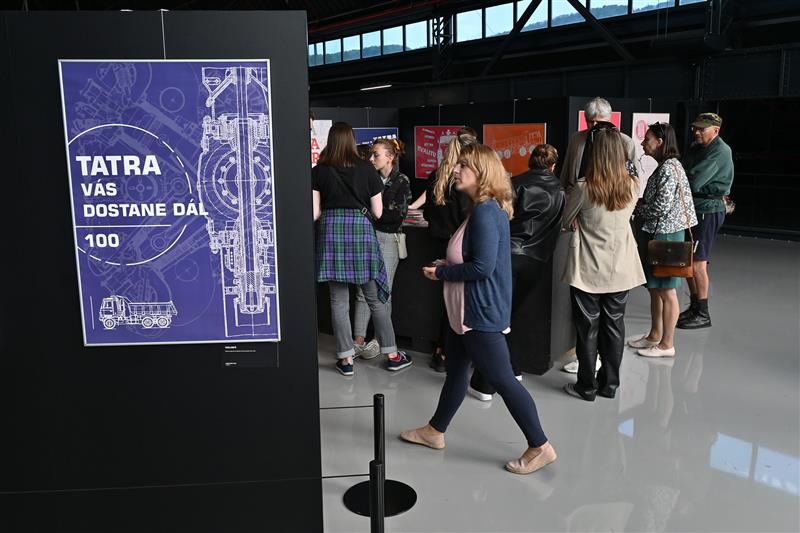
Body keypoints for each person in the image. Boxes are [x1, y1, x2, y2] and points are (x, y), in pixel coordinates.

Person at [399, 143, 557, 475]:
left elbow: (482, 268)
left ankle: (540, 446)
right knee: (457, 372)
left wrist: (442, 273)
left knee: (503, 379)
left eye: (464, 166)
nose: (455, 170)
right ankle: (435, 431)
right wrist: (447, 264)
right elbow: (475, 260)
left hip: (479, 314)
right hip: (465, 314)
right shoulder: (480, 209)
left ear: (481, 173)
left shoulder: (485, 211)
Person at [468, 144, 566, 401]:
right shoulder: (560, 190)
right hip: (537, 261)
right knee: (513, 315)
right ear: (553, 166)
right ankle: (512, 367)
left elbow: (501, 220)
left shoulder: (515, 184)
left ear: (530, 161)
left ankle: (484, 383)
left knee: (497, 318)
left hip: (509, 256)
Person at [312, 122, 411, 375]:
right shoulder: (367, 168)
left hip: (331, 233)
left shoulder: (319, 170)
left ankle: (346, 360)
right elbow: (378, 212)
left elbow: (314, 213)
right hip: (360, 234)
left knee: (338, 300)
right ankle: (392, 355)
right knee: (374, 298)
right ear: (351, 140)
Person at [561, 122, 645, 401]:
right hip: (621, 264)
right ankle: (610, 384)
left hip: (588, 266)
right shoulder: (632, 185)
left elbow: (566, 221)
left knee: (587, 328)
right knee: (615, 324)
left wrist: (576, 218)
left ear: (594, 153)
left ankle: (586, 386)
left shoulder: (584, 187)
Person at [408, 127, 477, 372]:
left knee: (449, 301)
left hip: (439, 243)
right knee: (460, 302)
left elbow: (428, 213)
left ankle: (443, 351)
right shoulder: (463, 181)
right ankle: (450, 352)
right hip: (460, 245)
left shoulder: (437, 176)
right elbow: (467, 215)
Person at [629, 123, 698, 358]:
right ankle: (654, 335)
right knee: (655, 289)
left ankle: (667, 344)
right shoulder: (666, 166)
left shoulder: (669, 167)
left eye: (647, 139)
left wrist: (638, 210)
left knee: (667, 291)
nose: (643, 143)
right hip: (658, 234)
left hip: (667, 235)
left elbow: (662, 206)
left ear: (660, 142)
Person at [352, 139, 412, 359]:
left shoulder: (401, 180)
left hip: (387, 238)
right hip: (368, 237)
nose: (371, 159)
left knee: (383, 292)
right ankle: (358, 341)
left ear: (390, 157)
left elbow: (397, 215)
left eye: (376, 154)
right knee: (362, 290)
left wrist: (372, 213)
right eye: (371, 154)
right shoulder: (370, 177)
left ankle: (380, 340)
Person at [677, 113, 734, 330]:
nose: (697, 132)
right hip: (694, 208)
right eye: (695, 128)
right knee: (688, 261)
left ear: (716, 130)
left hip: (708, 210)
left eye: (702, 129)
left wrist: (685, 175)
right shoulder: (696, 147)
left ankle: (703, 313)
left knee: (698, 263)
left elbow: (694, 180)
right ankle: (694, 306)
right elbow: (683, 171)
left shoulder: (720, 151)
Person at [560, 97, 637, 191]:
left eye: (599, 122)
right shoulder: (576, 138)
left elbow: (633, 180)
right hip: (577, 195)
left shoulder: (626, 143)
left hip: (610, 196)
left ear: (609, 121)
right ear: (585, 119)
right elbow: (566, 172)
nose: (594, 126)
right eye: (590, 121)